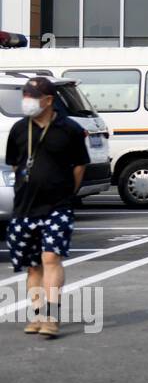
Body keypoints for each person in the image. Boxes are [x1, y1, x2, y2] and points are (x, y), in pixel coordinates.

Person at [5, 77, 89, 339]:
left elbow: (79, 166)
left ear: (49, 100)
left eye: (33, 96)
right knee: (32, 267)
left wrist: (67, 193)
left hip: (57, 207)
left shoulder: (70, 129)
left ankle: (51, 316)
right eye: (26, 95)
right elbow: (16, 165)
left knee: (51, 257)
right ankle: (37, 314)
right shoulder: (19, 129)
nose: (27, 101)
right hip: (24, 208)